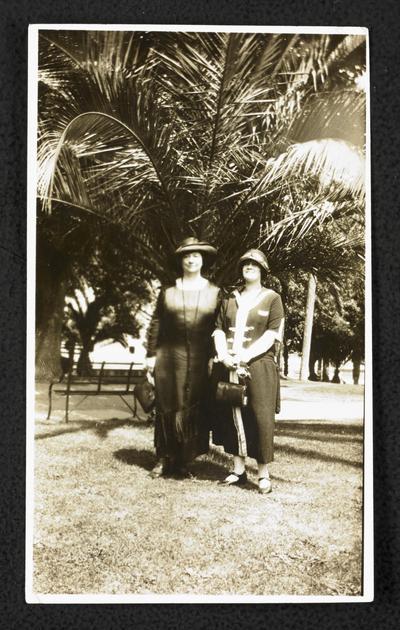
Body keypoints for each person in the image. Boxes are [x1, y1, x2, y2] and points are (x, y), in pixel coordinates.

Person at [212, 249, 284, 494]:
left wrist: (244, 356)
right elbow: (219, 329)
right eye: (245, 264)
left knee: (261, 418)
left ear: (263, 270)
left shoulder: (273, 298)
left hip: (259, 366)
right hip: (229, 365)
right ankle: (238, 470)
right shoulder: (230, 298)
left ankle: (263, 475)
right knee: (232, 415)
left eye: (254, 264)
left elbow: (271, 335)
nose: (249, 267)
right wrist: (224, 356)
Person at [146, 237, 219, 477]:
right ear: (181, 260)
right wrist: (150, 355)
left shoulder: (215, 292)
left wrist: (214, 356)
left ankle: (184, 462)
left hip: (199, 358)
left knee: (192, 406)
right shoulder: (167, 292)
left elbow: (219, 327)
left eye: (196, 256)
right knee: (168, 405)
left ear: (203, 260)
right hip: (169, 357)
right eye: (187, 256)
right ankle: (163, 458)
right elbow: (156, 323)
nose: (191, 259)